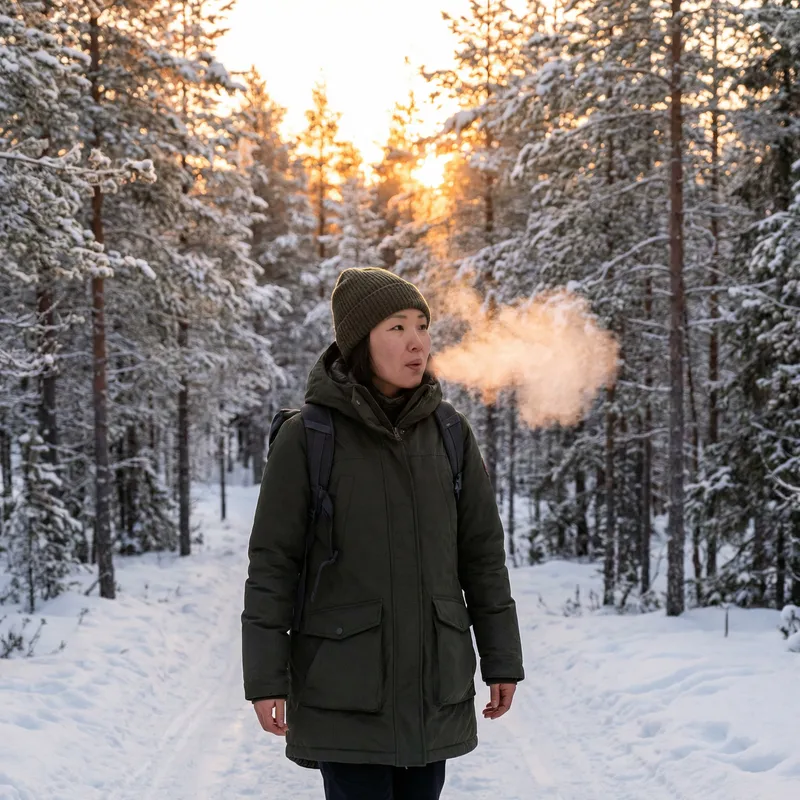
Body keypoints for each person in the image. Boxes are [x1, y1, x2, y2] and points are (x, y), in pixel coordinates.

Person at [242, 267, 524, 800]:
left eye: (422, 325)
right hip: (345, 690)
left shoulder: (449, 433)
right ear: (358, 342)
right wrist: (265, 678)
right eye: (396, 327)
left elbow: (482, 557)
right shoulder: (309, 438)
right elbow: (273, 565)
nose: (416, 341)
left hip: (432, 689)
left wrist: (501, 658)